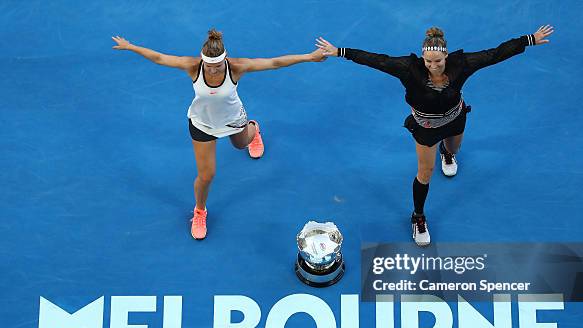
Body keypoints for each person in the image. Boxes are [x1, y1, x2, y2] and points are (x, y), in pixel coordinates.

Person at [316, 25, 554, 246]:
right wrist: (339, 51)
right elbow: (377, 60)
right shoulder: (408, 69)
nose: (433, 65)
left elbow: (494, 54)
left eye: (438, 61)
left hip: (455, 118)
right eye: (428, 61)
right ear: (423, 58)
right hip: (427, 128)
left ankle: (447, 154)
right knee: (425, 172)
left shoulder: (462, 64)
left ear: (446, 56)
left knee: (454, 149)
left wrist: (529, 39)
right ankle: (418, 216)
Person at [112, 29, 326, 239]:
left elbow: (274, 62)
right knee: (207, 175)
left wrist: (309, 57)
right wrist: (130, 46)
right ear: (202, 60)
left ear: (226, 59)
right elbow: (159, 58)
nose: (213, 71)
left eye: (217, 66)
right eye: (209, 67)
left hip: (233, 120)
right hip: (202, 124)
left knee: (241, 144)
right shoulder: (193, 67)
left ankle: (254, 128)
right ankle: (199, 212)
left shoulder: (237, 67)